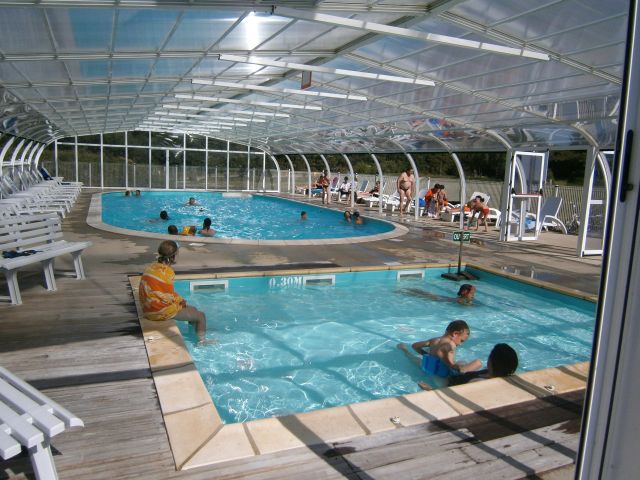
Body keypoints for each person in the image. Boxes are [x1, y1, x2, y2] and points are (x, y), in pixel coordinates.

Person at [139, 240, 207, 342]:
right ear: (173, 256)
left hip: (148, 308)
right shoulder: (167, 272)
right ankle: (202, 342)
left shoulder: (151, 267)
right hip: (159, 311)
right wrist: (180, 302)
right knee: (201, 316)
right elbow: (168, 298)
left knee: (194, 309)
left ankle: (193, 335)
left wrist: (180, 300)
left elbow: (164, 293)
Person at [398, 320, 481, 387]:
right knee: (468, 363)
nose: (460, 344)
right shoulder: (450, 345)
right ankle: (429, 388)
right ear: (455, 334)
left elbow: (415, 346)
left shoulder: (434, 340)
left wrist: (427, 355)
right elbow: (451, 365)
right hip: (439, 376)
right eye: (461, 340)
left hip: (427, 367)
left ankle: (404, 349)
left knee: (412, 358)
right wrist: (461, 367)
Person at [446, 343, 519, 387]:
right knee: (465, 363)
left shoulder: (477, 382)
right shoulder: (498, 373)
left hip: (449, 382)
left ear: (492, 362)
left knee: (459, 363)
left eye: (490, 356)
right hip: (461, 376)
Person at [404, 283, 476, 305]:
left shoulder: (462, 299)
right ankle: (404, 291)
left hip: (443, 298)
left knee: (425, 294)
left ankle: (408, 289)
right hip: (440, 300)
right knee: (421, 295)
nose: (473, 293)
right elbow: (467, 306)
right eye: (472, 292)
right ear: (465, 291)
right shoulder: (462, 300)